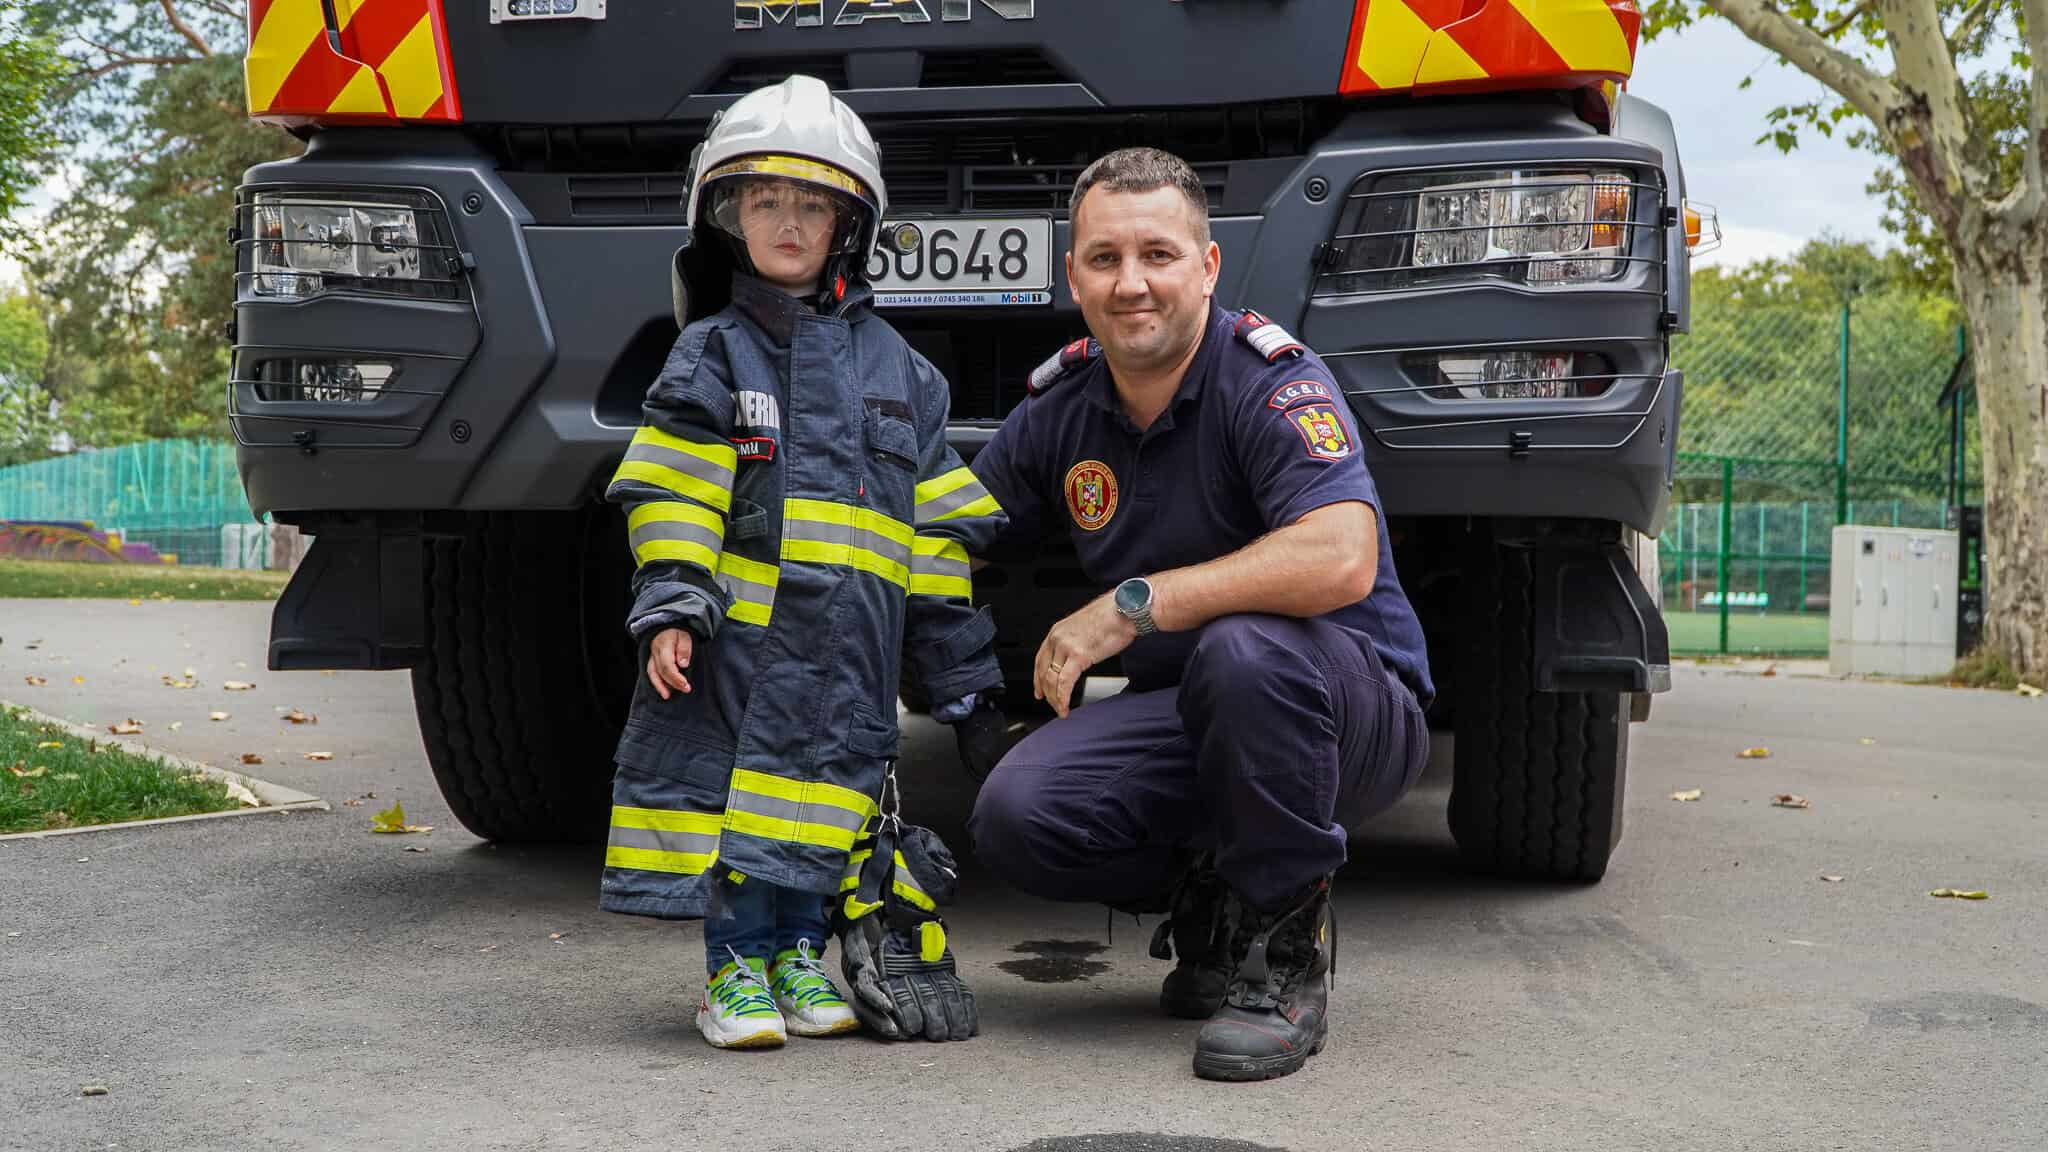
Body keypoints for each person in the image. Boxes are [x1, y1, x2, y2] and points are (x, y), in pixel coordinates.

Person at [964, 147, 1435, 1082]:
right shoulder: (1064, 403)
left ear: (1208, 267)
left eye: (1159, 256)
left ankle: (1285, 953)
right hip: (1195, 716)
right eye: (1104, 259)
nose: (1131, 283)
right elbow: (952, 533)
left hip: (1347, 713)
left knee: (1243, 651)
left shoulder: (1269, 382)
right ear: (1073, 274)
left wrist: (1134, 606)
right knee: (1016, 813)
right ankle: (1213, 900)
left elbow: (1344, 555)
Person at [597, 75, 1005, 1050]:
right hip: (740, 650)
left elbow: (937, 537)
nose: (788, 220)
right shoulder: (710, 357)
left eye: (811, 203)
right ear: (729, 215)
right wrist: (670, 603)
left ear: (847, 224)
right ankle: (731, 972)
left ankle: (795, 956)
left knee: (825, 805)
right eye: (767, 200)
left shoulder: (905, 375)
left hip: (850, 659)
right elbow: (672, 490)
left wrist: (962, 681)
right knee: (738, 809)